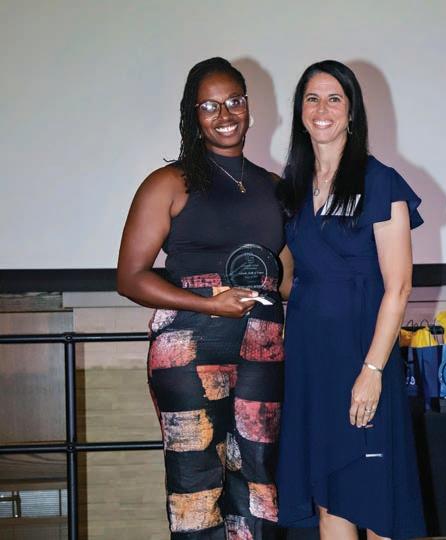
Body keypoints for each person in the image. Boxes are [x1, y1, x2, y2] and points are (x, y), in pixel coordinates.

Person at [117, 57, 285, 540]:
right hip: (189, 346)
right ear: (193, 115)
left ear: (249, 106)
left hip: (263, 345)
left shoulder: (275, 188)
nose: (225, 114)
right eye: (209, 106)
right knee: (196, 484)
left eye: (234, 101)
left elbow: (287, 277)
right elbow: (129, 278)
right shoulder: (169, 183)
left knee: (259, 480)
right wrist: (212, 304)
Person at [276, 60, 426, 540]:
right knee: (329, 497)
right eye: (312, 98)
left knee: (376, 498)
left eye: (334, 98)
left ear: (352, 111)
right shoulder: (292, 188)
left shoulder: (380, 181)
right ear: (300, 112)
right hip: (309, 358)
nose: (322, 109)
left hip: (363, 352)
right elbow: (290, 278)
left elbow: (399, 287)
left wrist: (373, 371)